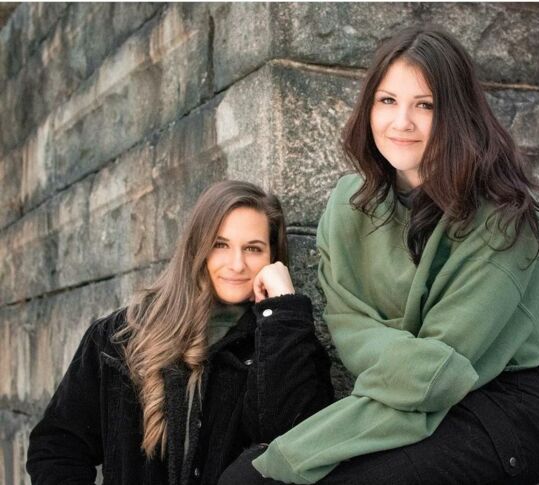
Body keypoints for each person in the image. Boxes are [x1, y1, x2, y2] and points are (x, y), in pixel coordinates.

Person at [220, 26, 539, 485]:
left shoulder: (505, 220)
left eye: (425, 105)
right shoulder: (349, 207)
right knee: (245, 477)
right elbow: (350, 327)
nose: (401, 122)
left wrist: (307, 448)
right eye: (387, 100)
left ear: (457, 114)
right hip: (397, 396)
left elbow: (443, 369)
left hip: (502, 407)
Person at [26, 180, 334, 485]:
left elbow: (298, 448)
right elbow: (56, 448)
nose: (237, 264)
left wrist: (283, 309)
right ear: (198, 247)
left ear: (272, 257)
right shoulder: (120, 337)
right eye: (220, 244)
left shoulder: (286, 343)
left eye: (253, 249)